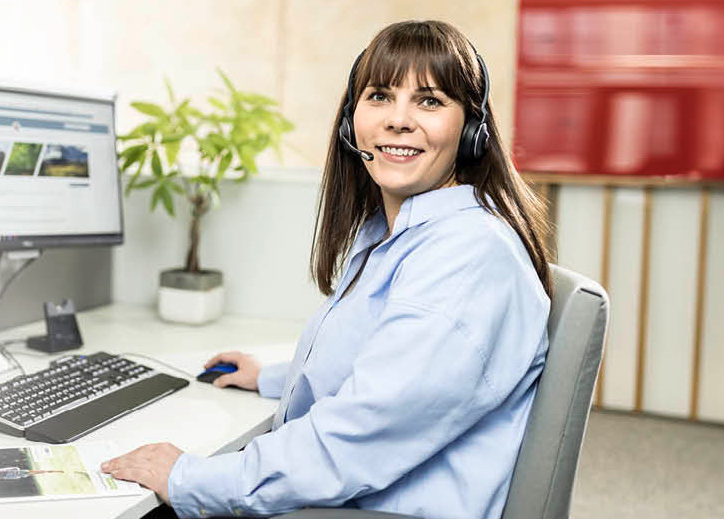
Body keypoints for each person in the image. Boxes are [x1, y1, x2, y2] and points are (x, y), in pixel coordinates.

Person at [101, 20, 554, 519]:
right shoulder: (399, 232)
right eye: (380, 96)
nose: (398, 120)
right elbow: (388, 369)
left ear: (471, 130)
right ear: (350, 120)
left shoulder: (466, 257)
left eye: (429, 101)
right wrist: (275, 377)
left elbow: (356, 441)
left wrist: (189, 476)